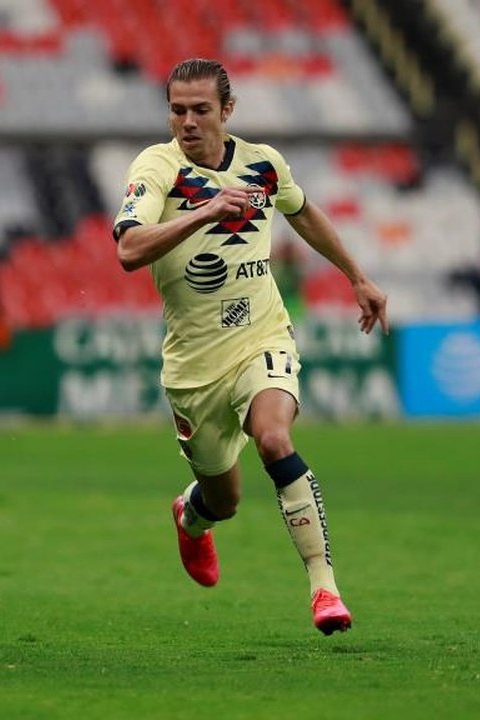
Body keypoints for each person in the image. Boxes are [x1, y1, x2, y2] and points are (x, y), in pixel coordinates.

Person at [112, 58, 388, 635]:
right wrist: (207, 210)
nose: (187, 122)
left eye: (200, 110)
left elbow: (303, 211)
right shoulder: (156, 167)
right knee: (224, 498)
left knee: (273, 436)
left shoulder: (264, 164)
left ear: (227, 110)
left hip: (262, 334)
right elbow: (130, 250)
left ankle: (324, 589)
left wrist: (356, 276)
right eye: (177, 109)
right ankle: (191, 518)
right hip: (194, 368)